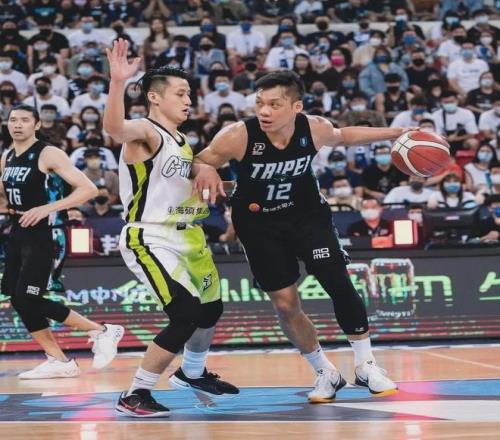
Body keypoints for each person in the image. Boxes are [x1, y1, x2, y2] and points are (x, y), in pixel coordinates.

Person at [193, 71, 407, 404]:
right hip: (259, 225)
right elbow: (199, 159)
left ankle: (366, 365)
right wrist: (205, 168)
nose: (264, 111)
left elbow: (343, 136)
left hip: (307, 217)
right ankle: (325, 372)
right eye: (259, 103)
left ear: (296, 106)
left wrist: (397, 132)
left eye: (274, 104)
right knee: (285, 304)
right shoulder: (237, 135)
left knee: (337, 281)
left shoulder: (314, 128)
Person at [103, 39, 238, 418]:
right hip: (150, 235)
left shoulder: (181, 142)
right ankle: (135, 393)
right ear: (154, 98)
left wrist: (220, 179)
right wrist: (118, 83)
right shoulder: (145, 131)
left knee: (210, 309)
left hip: (187, 234)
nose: (188, 99)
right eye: (180, 93)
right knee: (185, 313)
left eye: (189, 93)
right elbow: (115, 128)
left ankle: (192, 373)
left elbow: (185, 183)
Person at [0, 104, 124, 379]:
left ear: (36, 125)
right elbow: (6, 196)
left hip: (47, 232)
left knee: (27, 297)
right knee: (18, 299)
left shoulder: (48, 153)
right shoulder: (7, 156)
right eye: (13, 120)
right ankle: (58, 360)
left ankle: (103, 331)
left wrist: (47, 208)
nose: (17, 124)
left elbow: (88, 190)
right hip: (19, 231)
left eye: (24, 120)